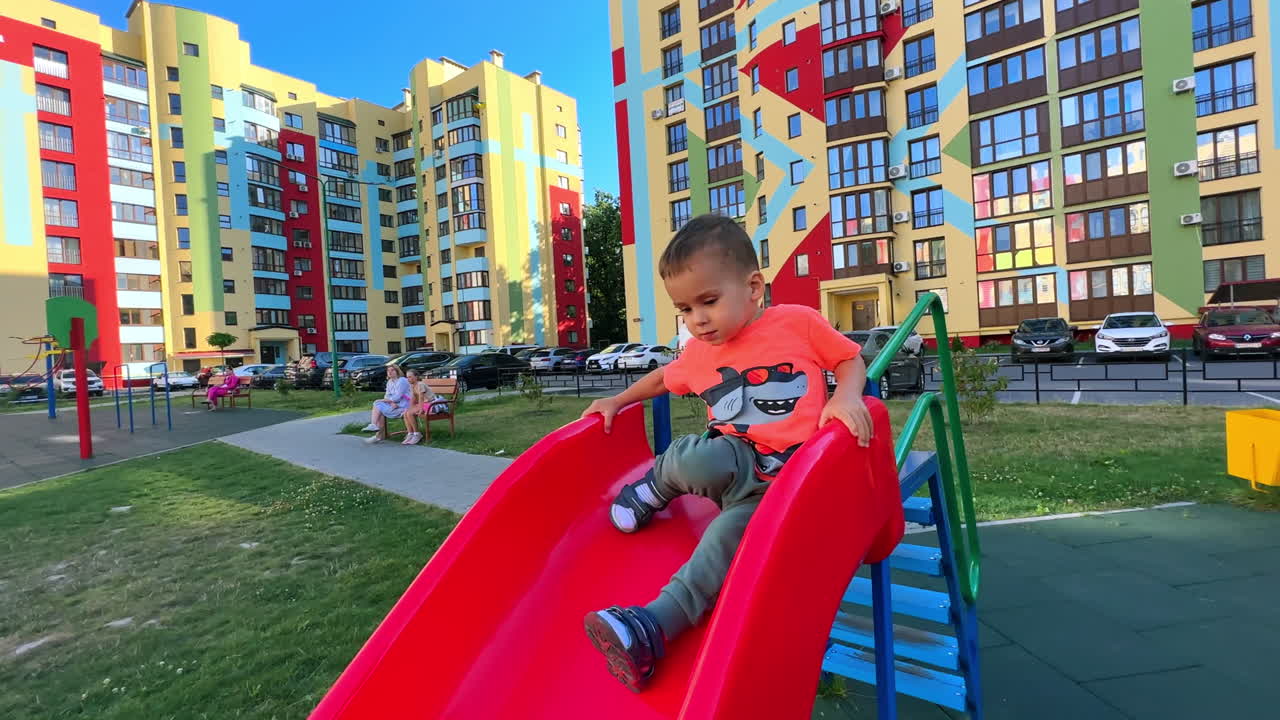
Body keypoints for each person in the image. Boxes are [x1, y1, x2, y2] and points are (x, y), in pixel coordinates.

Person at [579, 214, 873, 692]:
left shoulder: (796, 323)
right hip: (734, 461)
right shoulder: (698, 352)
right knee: (698, 459)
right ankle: (656, 486)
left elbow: (848, 357)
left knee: (723, 544)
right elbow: (662, 379)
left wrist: (845, 395)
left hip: (787, 489)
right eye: (685, 309)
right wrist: (617, 399)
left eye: (709, 302)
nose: (697, 319)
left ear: (753, 287)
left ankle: (651, 627)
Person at [363, 365, 411, 444]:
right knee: (378, 406)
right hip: (394, 405)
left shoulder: (402, 380)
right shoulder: (390, 382)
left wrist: (388, 401)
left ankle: (377, 434)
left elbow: (398, 397)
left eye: (392, 370)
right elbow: (387, 396)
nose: (390, 372)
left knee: (377, 404)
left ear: (397, 371)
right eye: (388, 371)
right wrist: (391, 402)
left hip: (404, 406)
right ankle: (377, 432)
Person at [401, 371, 450, 445]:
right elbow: (413, 398)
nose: (408, 379)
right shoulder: (412, 386)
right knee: (406, 412)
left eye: (410, 377)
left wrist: (420, 410)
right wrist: (410, 407)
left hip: (432, 404)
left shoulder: (420, 384)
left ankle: (417, 434)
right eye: (407, 377)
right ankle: (410, 434)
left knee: (410, 413)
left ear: (416, 377)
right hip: (425, 404)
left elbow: (421, 398)